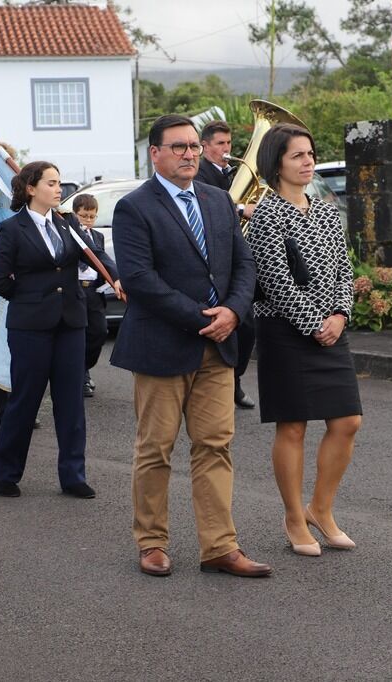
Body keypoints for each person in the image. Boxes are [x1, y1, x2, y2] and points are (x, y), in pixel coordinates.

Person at [111, 114, 271, 578]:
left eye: (193, 148)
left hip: (218, 347)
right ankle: (152, 543)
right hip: (163, 347)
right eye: (177, 147)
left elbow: (245, 266)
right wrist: (204, 318)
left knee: (215, 447)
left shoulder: (219, 200)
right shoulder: (134, 207)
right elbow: (140, 280)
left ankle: (220, 547)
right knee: (156, 449)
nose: (188, 154)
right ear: (155, 153)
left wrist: (233, 313)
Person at [245, 123, 362, 557]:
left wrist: (339, 314)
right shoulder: (267, 215)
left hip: (332, 331)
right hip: (284, 332)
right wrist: (313, 322)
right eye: (298, 155)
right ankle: (294, 516)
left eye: (310, 153)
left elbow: (343, 272)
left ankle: (321, 509)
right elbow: (275, 281)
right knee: (292, 426)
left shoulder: (328, 211)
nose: (308, 161)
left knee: (347, 422)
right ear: (277, 162)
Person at [0, 161, 119, 499]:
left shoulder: (68, 223)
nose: (59, 189)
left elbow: (96, 256)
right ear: (31, 188)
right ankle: (6, 473)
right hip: (30, 327)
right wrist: (33, 296)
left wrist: (116, 277)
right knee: (25, 401)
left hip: (71, 324)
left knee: (71, 403)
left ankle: (73, 475)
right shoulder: (12, 229)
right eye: (51, 183)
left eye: (60, 183)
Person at [195, 120, 256, 410]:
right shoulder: (199, 173)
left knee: (247, 328)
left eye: (229, 144)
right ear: (205, 146)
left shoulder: (233, 173)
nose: (227, 150)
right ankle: (222, 382)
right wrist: (243, 209)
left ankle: (235, 378)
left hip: (234, 254)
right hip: (211, 257)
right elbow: (207, 203)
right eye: (220, 144)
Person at [68, 193, 108, 399]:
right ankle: (81, 375)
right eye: (84, 216)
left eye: (92, 216)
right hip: (75, 290)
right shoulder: (69, 234)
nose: (88, 221)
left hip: (93, 290)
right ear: (75, 215)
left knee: (99, 332)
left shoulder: (98, 237)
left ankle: (84, 366)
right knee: (78, 334)